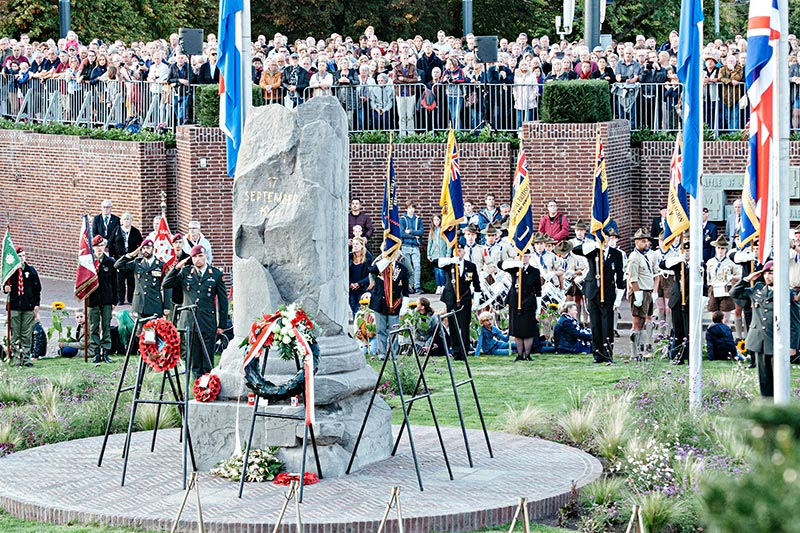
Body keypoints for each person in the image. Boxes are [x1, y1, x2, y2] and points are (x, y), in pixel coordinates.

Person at [730, 261, 800, 398]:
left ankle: (778, 406)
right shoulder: (757, 289)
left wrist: (793, 346)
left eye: (772, 273)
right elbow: (734, 293)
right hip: (759, 340)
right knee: (763, 378)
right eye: (767, 273)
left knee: (778, 378)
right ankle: (766, 405)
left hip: (776, 340)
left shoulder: (787, 293)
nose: (768, 276)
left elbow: (796, 322)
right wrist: (747, 279)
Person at [163, 245, 229, 378]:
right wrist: (176, 268)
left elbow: (223, 301)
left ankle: (208, 384)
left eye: (200, 256)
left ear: (206, 256)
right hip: (189, 321)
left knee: (207, 358)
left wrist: (222, 324)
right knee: (194, 359)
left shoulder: (215, 274)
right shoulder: (185, 273)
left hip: (207, 321)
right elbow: (166, 284)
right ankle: (195, 385)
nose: (197, 259)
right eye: (194, 257)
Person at [573, 233, 626, 363]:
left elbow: (620, 276)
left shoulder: (616, 254)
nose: (605, 241)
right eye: (602, 238)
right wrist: (594, 245)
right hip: (592, 291)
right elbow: (575, 250)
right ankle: (597, 354)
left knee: (607, 324)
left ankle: (608, 354)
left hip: (608, 293)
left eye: (607, 238)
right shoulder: (592, 251)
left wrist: (618, 298)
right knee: (595, 324)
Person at [438, 243, 482, 360]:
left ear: (464, 252)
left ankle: (464, 351)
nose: (458, 252)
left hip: (464, 299)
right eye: (456, 250)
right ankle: (456, 351)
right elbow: (436, 262)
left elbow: (477, 285)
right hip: (451, 299)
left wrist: (476, 302)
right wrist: (451, 260)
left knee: (464, 326)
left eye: (460, 250)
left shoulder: (470, 266)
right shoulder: (449, 265)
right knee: (453, 326)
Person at [2, 247, 41, 367]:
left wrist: (36, 305)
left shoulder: (31, 271)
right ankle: (17, 359)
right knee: (15, 335)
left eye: (23, 255)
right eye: (19, 256)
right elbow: (4, 284)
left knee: (26, 335)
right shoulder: (10, 272)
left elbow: (37, 290)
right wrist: (5, 288)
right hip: (14, 307)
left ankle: (26, 359)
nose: (22, 258)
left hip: (28, 308)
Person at [368, 249, 410, 358]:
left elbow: (405, 290)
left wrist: (404, 306)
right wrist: (386, 260)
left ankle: (394, 354)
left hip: (394, 304)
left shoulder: (402, 269)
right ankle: (382, 353)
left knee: (394, 330)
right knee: (380, 329)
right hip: (379, 303)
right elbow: (371, 270)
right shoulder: (380, 266)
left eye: (394, 254)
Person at [500, 249, 541, 361]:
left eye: (526, 256)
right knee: (517, 330)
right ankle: (519, 354)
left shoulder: (535, 271)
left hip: (528, 303)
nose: (524, 258)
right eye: (522, 256)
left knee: (527, 330)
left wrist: (538, 309)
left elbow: (538, 291)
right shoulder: (514, 268)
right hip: (515, 302)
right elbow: (501, 265)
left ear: (530, 257)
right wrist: (514, 263)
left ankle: (527, 354)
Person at [113, 239, 165, 319]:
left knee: (154, 330)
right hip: (139, 304)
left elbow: (166, 286)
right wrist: (131, 255)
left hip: (154, 304)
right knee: (139, 330)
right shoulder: (137, 263)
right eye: (143, 248)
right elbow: (117, 265)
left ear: (153, 249)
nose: (145, 250)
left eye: (148, 248)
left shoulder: (161, 265)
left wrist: (166, 307)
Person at [87, 235, 118, 364]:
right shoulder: (88, 262)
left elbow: (114, 283)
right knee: (94, 326)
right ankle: (95, 352)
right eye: (96, 247)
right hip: (93, 299)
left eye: (100, 246)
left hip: (106, 299)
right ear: (92, 248)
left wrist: (115, 301)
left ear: (104, 247)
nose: (99, 249)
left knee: (106, 325)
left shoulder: (110, 262)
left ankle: (105, 351)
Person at [660, 234, 690, 363]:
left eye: (689, 251)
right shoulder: (679, 264)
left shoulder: (699, 265)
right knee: (677, 330)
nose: (687, 254)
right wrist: (678, 259)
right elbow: (662, 265)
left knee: (689, 329)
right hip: (677, 299)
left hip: (690, 300)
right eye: (685, 251)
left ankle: (689, 355)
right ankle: (677, 356)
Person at [627, 228, 655, 359]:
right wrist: (637, 294)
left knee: (644, 321)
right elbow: (633, 278)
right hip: (640, 292)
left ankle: (639, 350)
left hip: (647, 291)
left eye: (647, 241)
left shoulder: (645, 256)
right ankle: (634, 352)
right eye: (643, 241)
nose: (646, 244)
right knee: (637, 322)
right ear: (636, 242)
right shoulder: (634, 258)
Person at [109, 212, 143, 306]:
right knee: (120, 281)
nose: (126, 221)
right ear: (121, 221)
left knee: (131, 280)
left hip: (131, 260)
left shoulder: (135, 231)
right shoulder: (117, 230)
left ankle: (131, 298)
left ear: (131, 221)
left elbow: (141, 243)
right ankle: (120, 299)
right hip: (120, 259)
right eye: (124, 219)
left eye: (128, 219)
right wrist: (112, 256)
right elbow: (111, 243)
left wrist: (137, 253)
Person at [705, 236, 740, 324]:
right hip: (714, 288)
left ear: (726, 250)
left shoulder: (730, 263)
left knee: (725, 319)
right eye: (719, 248)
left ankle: (724, 334)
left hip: (726, 289)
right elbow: (707, 277)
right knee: (714, 318)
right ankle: (715, 335)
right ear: (715, 249)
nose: (720, 250)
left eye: (723, 248)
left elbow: (740, 275)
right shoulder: (710, 262)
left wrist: (732, 277)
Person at [399, 201, 424, 294]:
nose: (411, 210)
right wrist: (414, 236)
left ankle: (417, 286)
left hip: (415, 246)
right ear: (406, 209)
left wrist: (410, 231)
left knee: (417, 266)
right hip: (405, 245)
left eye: (413, 208)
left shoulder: (418, 219)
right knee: (407, 268)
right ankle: (408, 286)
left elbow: (421, 232)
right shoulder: (402, 219)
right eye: (409, 208)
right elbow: (402, 233)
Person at [348, 237, 373, 317]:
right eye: (353, 244)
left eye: (357, 244)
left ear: (362, 245)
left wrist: (359, 283)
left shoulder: (368, 257)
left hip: (363, 287)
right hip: (351, 288)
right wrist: (350, 284)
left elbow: (371, 274)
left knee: (358, 309)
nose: (355, 246)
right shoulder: (349, 257)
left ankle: (358, 327)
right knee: (353, 307)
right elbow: (344, 272)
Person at [427, 215, 450, 294]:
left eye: (438, 220)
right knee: (436, 271)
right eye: (434, 220)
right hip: (434, 254)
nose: (436, 221)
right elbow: (430, 243)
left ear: (441, 220)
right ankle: (438, 286)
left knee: (441, 270)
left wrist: (448, 254)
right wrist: (429, 254)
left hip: (442, 253)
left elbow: (448, 243)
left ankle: (443, 285)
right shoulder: (432, 231)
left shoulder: (444, 230)